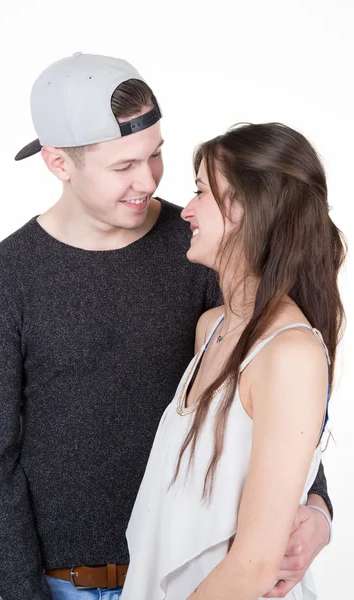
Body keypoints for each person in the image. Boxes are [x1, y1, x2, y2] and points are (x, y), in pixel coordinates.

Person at [0, 54, 332, 600]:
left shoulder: (204, 247)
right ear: (59, 162)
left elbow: (271, 388)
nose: (148, 179)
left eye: (156, 154)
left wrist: (317, 506)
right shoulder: (3, 280)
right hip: (51, 587)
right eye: (122, 166)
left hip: (184, 583)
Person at [122, 122, 345, 600]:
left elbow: (255, 565)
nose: (187, 210)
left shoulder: (290, 354)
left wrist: (321, 516)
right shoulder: (212, 329)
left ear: (247, 207)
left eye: (201, 190)